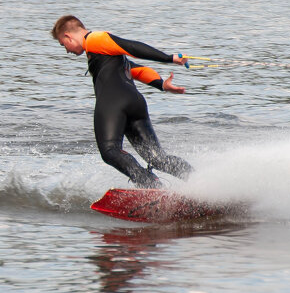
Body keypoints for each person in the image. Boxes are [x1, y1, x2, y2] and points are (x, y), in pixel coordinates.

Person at [51, 15, 192, 188]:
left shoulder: (95, 39)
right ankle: (200, 182)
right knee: (156, 158)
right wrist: (161, 84)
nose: (66, 50)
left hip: (114, 102)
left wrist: (168, 58)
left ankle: (153, 187)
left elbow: (131, 47)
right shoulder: (103, 52)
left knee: (110, 150)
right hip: (135, 103)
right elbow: (136, 70)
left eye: (62, 44)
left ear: (68, 36)